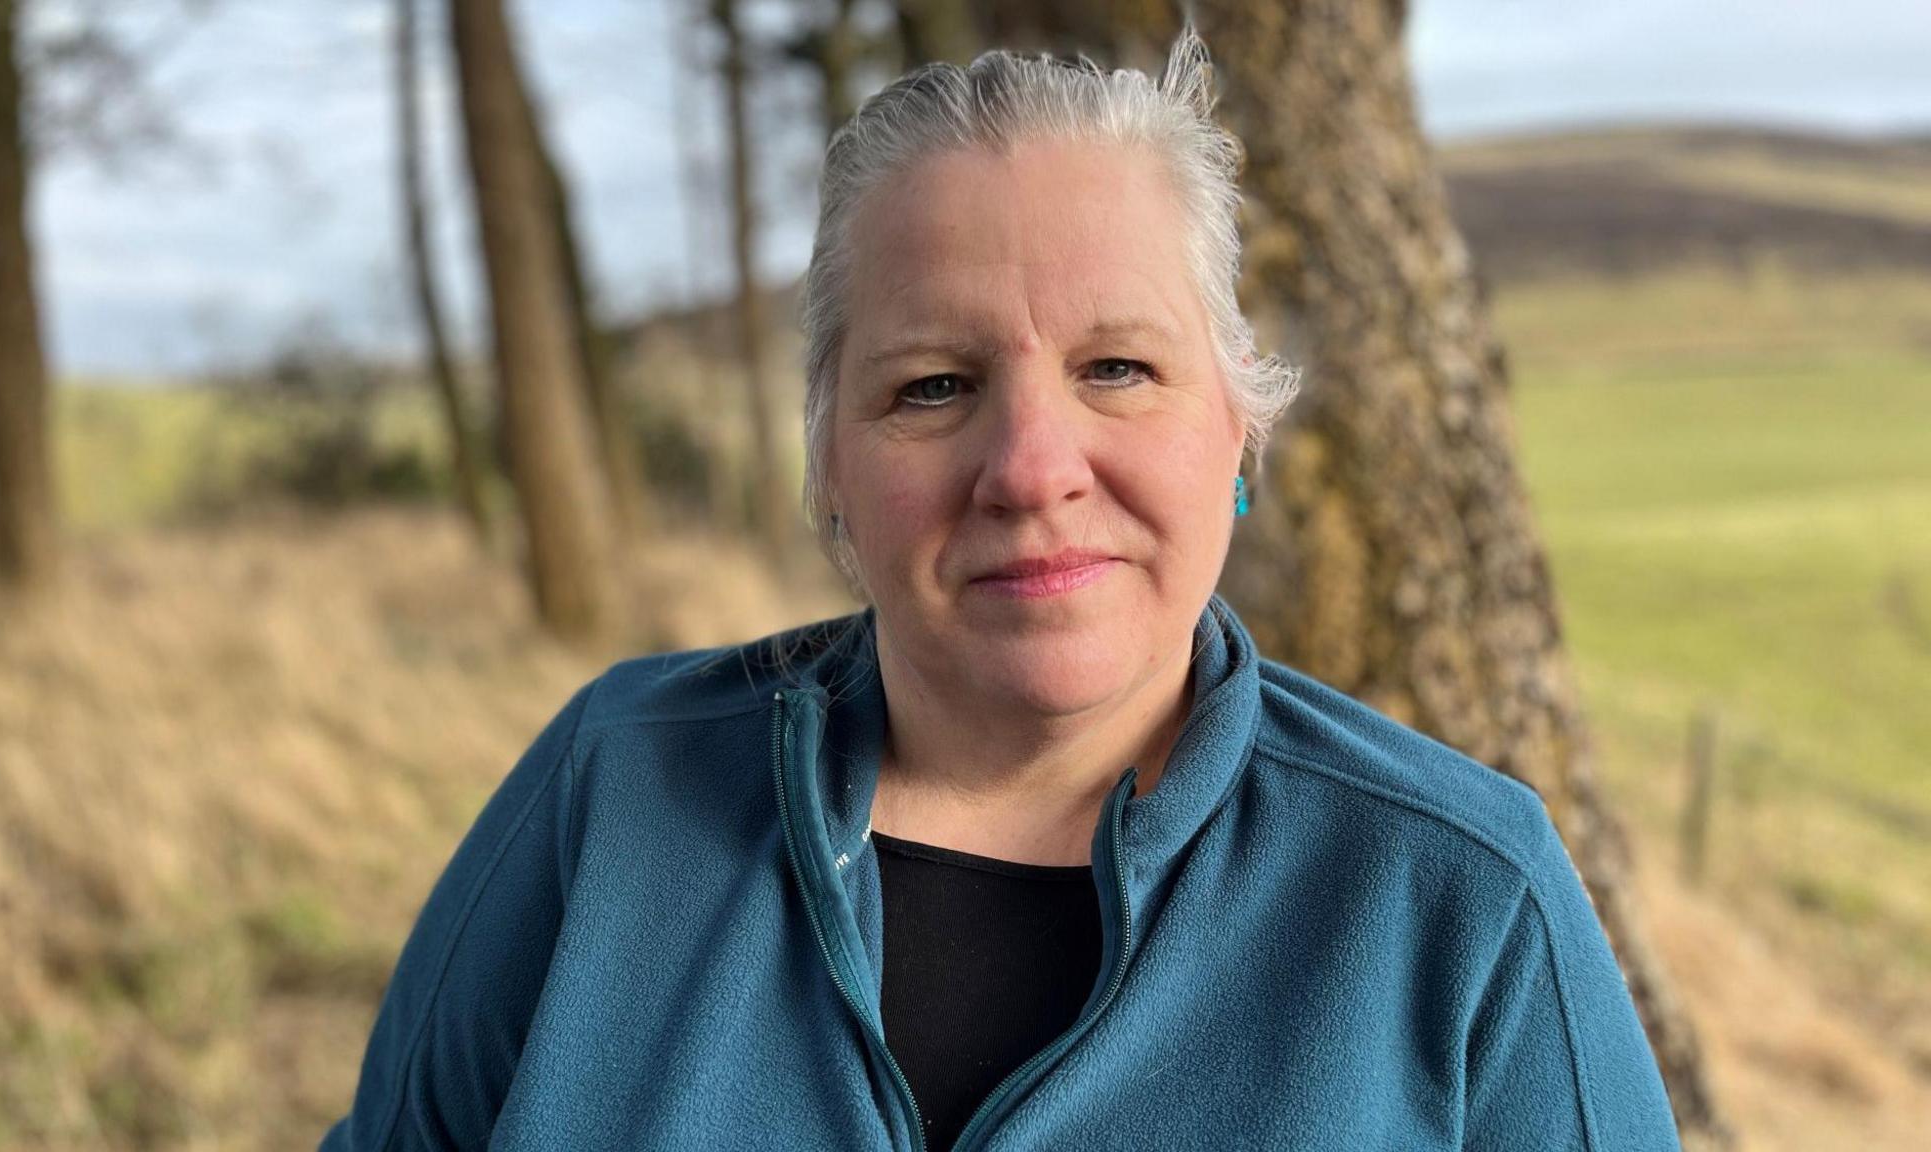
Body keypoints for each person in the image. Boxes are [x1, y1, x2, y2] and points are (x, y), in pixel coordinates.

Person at [324, 27, 1680, 1152]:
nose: (1032, 469)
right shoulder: (610, 796)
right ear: (831, 470)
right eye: (933, 387)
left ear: (1239, 432)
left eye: (1118, 370)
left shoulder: (1462, 897)